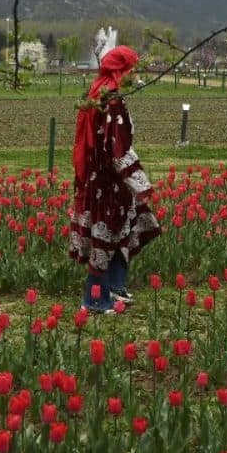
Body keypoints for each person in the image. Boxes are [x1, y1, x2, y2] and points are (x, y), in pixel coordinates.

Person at [68, 45, 160, 312]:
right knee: (105, 238)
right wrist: (139, 182)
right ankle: (95, 298)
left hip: (97, 178)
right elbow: (117, 149)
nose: (136, 74)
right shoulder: (113, 101)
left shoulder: (96, 93)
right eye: (133, 69)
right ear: (123, 70)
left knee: (127, 230)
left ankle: (115, 288)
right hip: (110, 183)